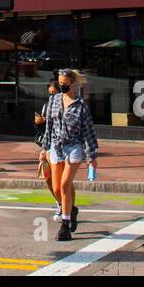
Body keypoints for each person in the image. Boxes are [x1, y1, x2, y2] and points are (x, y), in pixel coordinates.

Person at [38, 69, 98, 241]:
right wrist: (44, 149)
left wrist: (91, 156)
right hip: (56, 147)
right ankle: (71, 209)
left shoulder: (81, 106)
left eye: (64, 83)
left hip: (74, 148)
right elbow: (49, 126)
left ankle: (65, 225)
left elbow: (88, 132)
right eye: (59, 83)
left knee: (65, 185)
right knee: (57, 188)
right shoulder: (53, 100)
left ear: (73, 84)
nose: (61, 86)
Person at [33, 77, 60, 206]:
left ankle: (64, 206)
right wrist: (39, 121)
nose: (52, 96)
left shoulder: (65, 104)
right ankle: (58, 201)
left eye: (54, 93)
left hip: (60, 146)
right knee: (48, 177)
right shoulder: (47, 104)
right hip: (48, 144)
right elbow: (44, 125)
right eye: (50, 93)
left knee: (59, 179)